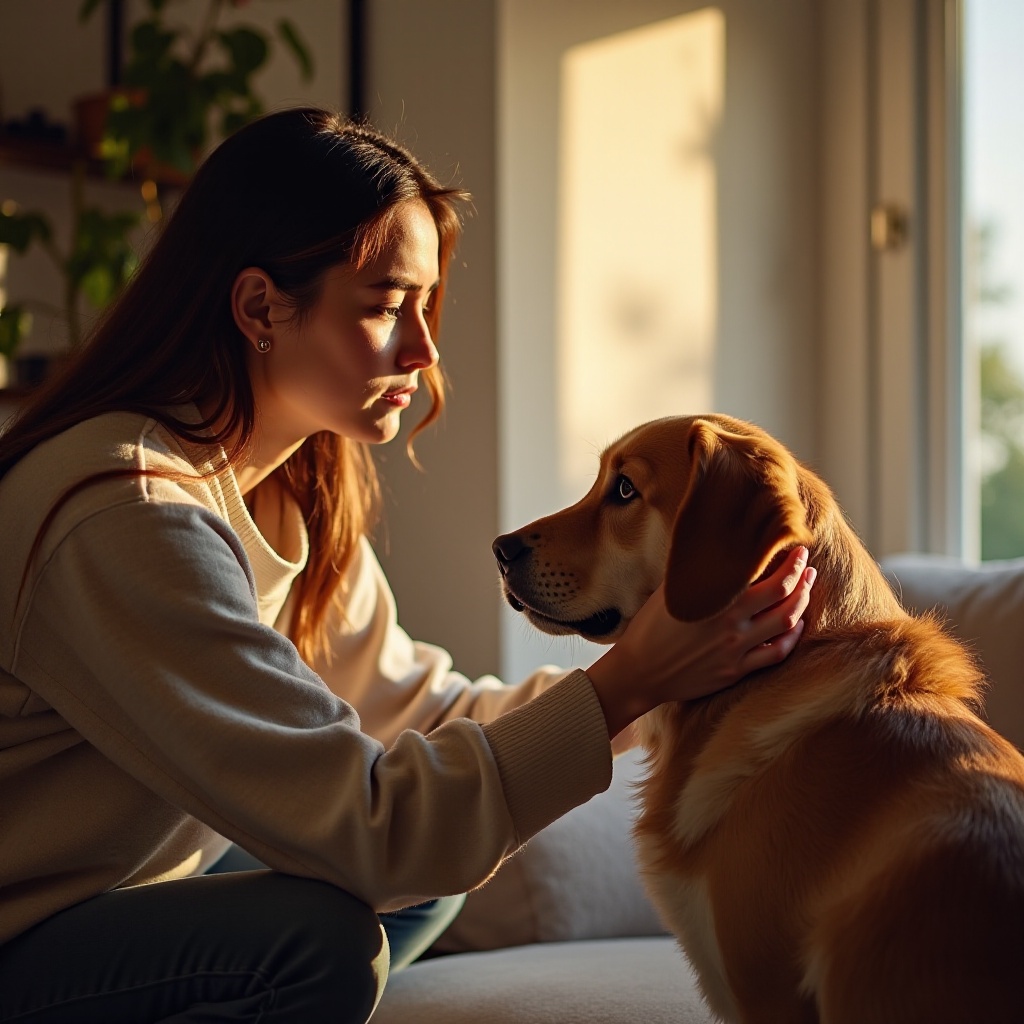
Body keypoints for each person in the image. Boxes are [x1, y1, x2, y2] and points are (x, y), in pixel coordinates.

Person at [0, 107, 816, 1023]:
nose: (425, 351)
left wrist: (664, 682)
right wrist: (630, 682)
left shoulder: (292, 486)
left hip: (129, 886)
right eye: (389, 307)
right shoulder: (129, 515)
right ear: (261, 306)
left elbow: (420, 718)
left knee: (446, 847)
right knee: (328, 934)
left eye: (427, 305)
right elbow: (379, 824)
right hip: (26, 930)